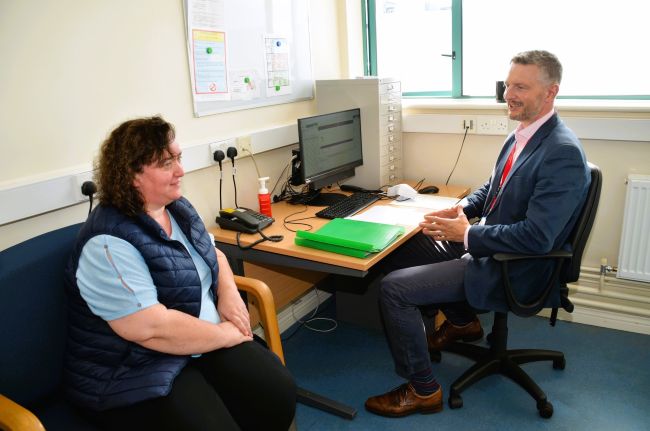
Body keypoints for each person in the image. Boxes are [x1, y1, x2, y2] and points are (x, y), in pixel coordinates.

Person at [365, 50, 591, 417]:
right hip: (490, 246)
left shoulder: (560, 152)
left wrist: (467, 236)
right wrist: (462, 210)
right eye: (509, 84)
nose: (509, 94)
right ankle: (462, 321)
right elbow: (493, 189)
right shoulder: (523, 134)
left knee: (395, 289)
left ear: (550, 92)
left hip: (515, 265)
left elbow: (538, 238)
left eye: (521, 86)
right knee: (404, 249)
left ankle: (423, 390)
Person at [63, 116, 296, 431]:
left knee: (275, 390)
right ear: (132, 175)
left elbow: (212, 255)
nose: (180, 170)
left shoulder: (177, 208)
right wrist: (226, 334)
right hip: (133, 367)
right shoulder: (107, 244)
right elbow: (151, 328)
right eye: (165, 162)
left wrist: (227, 292)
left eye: (178, 157)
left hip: (196, 340)